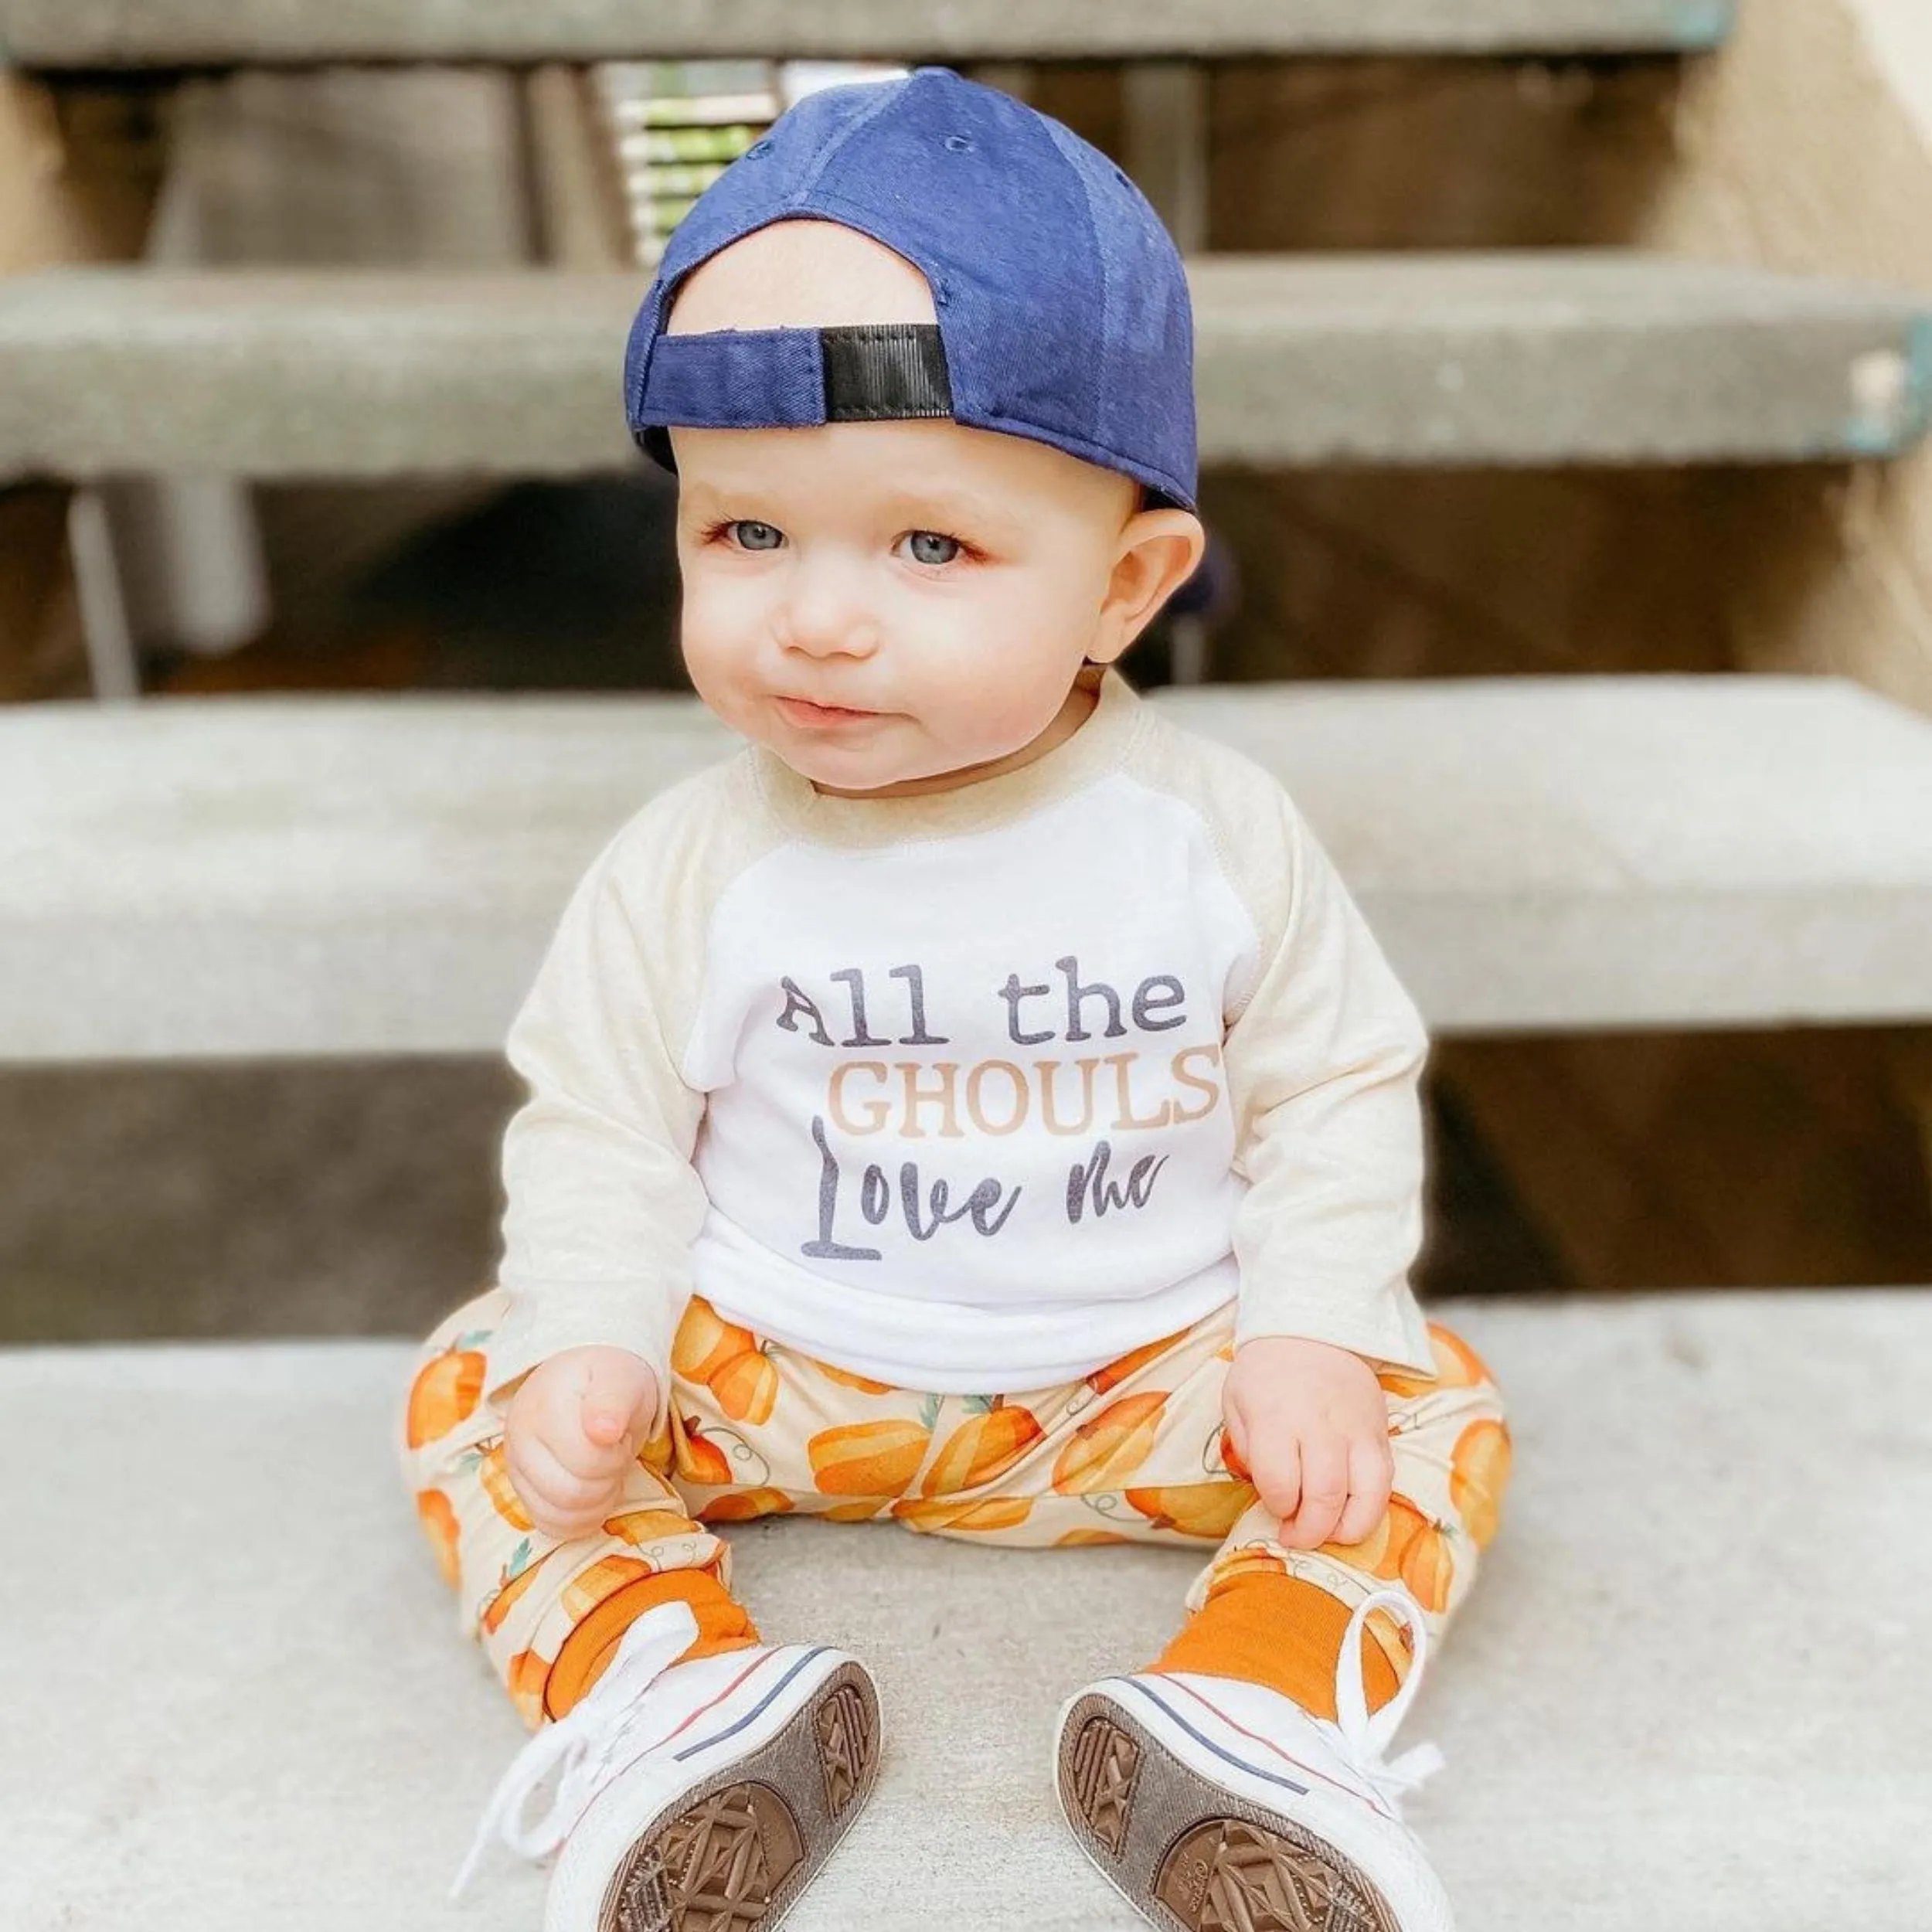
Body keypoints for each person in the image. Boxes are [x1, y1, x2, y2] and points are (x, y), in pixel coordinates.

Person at [398, 66, 1510, 1932]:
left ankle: (1249, 1704)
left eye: (928, 546)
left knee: (1431, 1406)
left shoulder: (1206, 834)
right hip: (783, 1369)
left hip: (1135, 1384)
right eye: (745, 533)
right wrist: (593, 1337)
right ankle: (673, 1694)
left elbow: (1330, 1084)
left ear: (1125, 584)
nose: (817, 617)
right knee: (473, 1376)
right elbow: (602, 1122)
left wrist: (1302, 1331)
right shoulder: (690, 861)